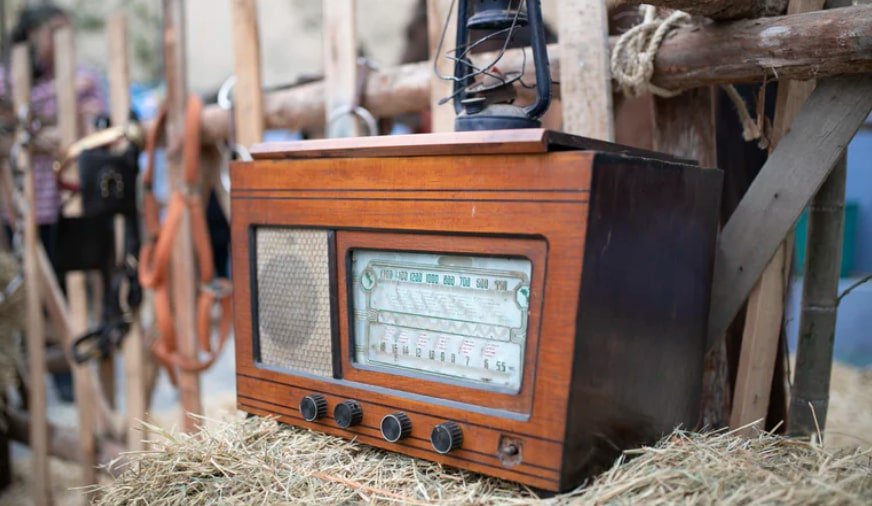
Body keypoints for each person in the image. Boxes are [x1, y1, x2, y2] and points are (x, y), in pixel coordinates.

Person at [1, 4, 107, 401]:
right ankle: (28, 386)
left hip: (69, 206)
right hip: (21, 211)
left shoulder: (82, 81)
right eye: (53, 33)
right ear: (30, 36)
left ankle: (69, 383)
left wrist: (30, 127)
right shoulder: (9, 79)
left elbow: (86, 124)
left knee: (71, 291)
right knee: (28, 300)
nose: (63, 42)